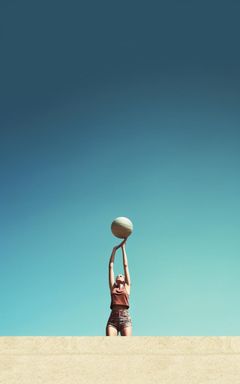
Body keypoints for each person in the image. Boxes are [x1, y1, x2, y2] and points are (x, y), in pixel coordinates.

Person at [106, 238, 132, 336]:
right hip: (113, 318)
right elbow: (110, 267)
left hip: (125, 317)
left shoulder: (127, 287)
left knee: (126, 347)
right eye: (118, 275)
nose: (119, 275)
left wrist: (123, 249)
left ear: (125, 279)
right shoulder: (113, 287)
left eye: (122, 275)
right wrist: (114, 250)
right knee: (110, 345)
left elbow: (126, 266)